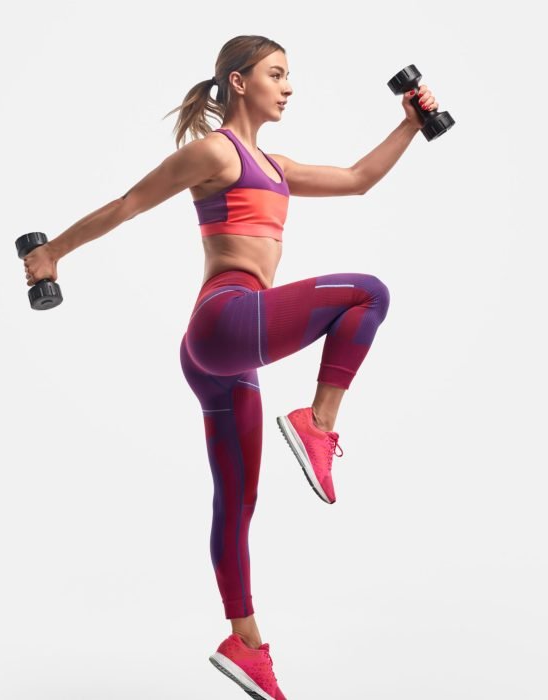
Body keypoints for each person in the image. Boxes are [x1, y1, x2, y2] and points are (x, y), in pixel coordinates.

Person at [22, 33, 438, 700]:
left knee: (237, 501)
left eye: (290, 75)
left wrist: (409, 126)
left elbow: (358, 180)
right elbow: (129, 203)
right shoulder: (217, 152)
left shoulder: (275, 165)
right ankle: (316, 423)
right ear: (239, 82)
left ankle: (246, 645)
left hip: (220, 357)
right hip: (225, 318)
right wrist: (52, 254)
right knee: (369, 292)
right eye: (277, 74)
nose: (289, 86)